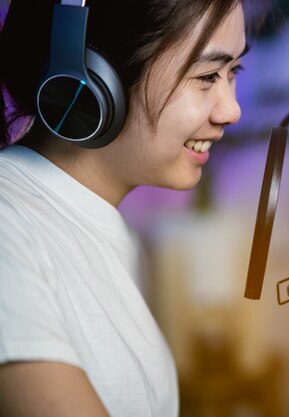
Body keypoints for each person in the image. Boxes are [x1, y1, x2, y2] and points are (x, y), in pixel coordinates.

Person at [0, 0, 256, 415]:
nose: (232, 110)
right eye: (208, 76)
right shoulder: (8, 229)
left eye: (233, 73)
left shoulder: (106, 231)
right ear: (89, 78)